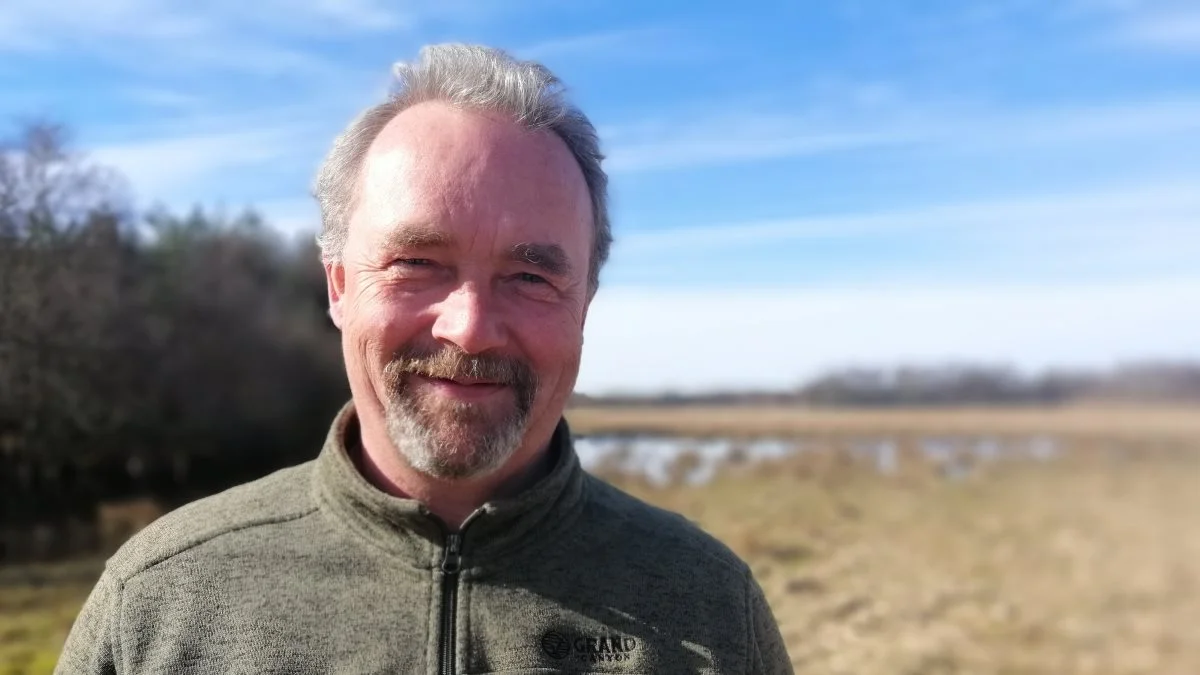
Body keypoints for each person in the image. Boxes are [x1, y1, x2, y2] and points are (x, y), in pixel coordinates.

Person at [56, 44, 792, 674]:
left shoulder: (710, 603)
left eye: (532, 276)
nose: (470, 329)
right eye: (417, 262)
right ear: (340, 285)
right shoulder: (160, 602)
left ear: (585, 302)